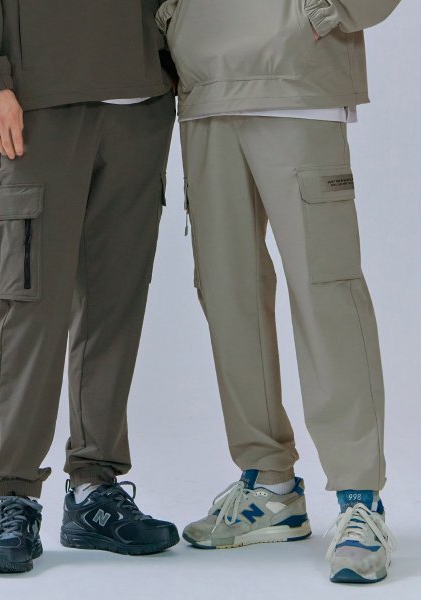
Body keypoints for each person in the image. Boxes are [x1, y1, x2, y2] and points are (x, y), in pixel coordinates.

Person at [157, 0, 400, 584]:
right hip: (203, 92)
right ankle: (270, 487)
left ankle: (359, 499)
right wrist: (172, 18)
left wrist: (327, 10)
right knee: (226, 293)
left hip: (297, 82)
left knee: (326, 292)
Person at [0, 0, 179, 574]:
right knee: (32, 301)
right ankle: (16, 495)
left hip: (143, 100)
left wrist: (177, 65)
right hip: (40, 100)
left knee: (115, 303)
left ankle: (95, 488)